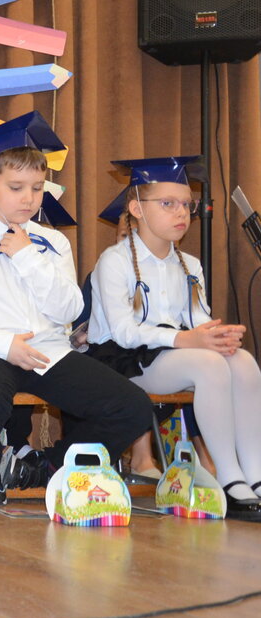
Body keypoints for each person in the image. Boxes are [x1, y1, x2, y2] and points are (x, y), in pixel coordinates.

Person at [0, 111, 153, 506]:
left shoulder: (52, 242)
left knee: (132, 407)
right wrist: (4, 344)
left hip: (48, 351)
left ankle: (49, 466)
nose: (29, 198)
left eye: (36, 188)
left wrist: (27, 257)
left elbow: (70, 307)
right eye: (16, 187)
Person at [88, 156, 261, 518]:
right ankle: (228, 477)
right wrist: (188, 341)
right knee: (209, 365)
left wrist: (219, 335)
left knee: (242, 361)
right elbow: (123, 332)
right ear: (137, 208)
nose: (181, 212)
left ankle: (255, 473)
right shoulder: (114, 261)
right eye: (168, 203)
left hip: (174, 355)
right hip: (121, 359)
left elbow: (198, 321)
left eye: (186, 204)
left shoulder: (190, 265)